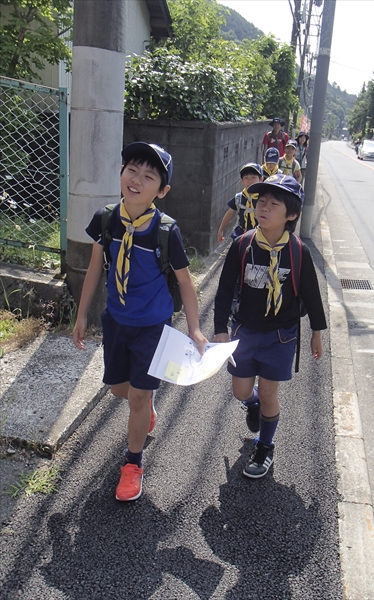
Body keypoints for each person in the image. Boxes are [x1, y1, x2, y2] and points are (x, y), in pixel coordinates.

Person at [72, 141, 207, 502]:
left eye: (149, 176)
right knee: (119, 389)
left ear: (161, 191)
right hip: (116, 320)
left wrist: (194, 328)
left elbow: (184, 282)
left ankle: (133, 464)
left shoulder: (166, 231)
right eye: (131, 170)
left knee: (137, 395)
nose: (137, 179)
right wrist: (82, 313)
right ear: (120, 173)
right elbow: (95, 269)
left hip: (153, 327)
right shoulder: (106, 219)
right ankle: (144, 407)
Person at [213, 174, 327, 479]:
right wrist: (220, 329)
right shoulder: (243, 244)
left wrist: (317, 332)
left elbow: (312, 296)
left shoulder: (298, 252)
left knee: (268, 393)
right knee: (241, 391)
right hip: (244, 331)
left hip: (281, 335)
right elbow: (224, 290)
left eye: (273, 204)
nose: (263, 208)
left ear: (290, 214)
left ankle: (265, 445)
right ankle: (251, 405)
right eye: (261, 202)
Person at [217, 163, 263, 243]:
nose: (250, 180)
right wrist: (221, 230)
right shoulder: (239, 198)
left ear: (261, 179)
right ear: (242, 180)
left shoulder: (264, 198)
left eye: (253, 177)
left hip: (260, 233)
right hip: (241, 232)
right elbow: (229, 213)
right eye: (246, 178)